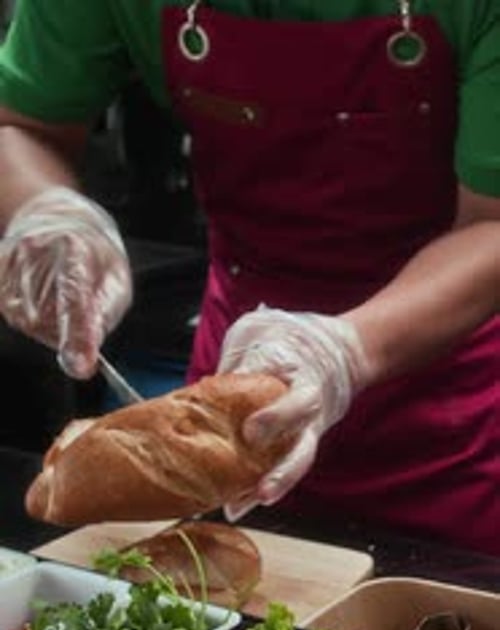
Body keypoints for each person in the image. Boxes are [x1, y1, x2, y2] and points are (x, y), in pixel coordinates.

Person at [0, 1, 499, 556]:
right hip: (235, 387)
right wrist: (45, 210)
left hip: (447, 396)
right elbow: (22, 124)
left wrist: (342, 352)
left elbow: (493, 224)